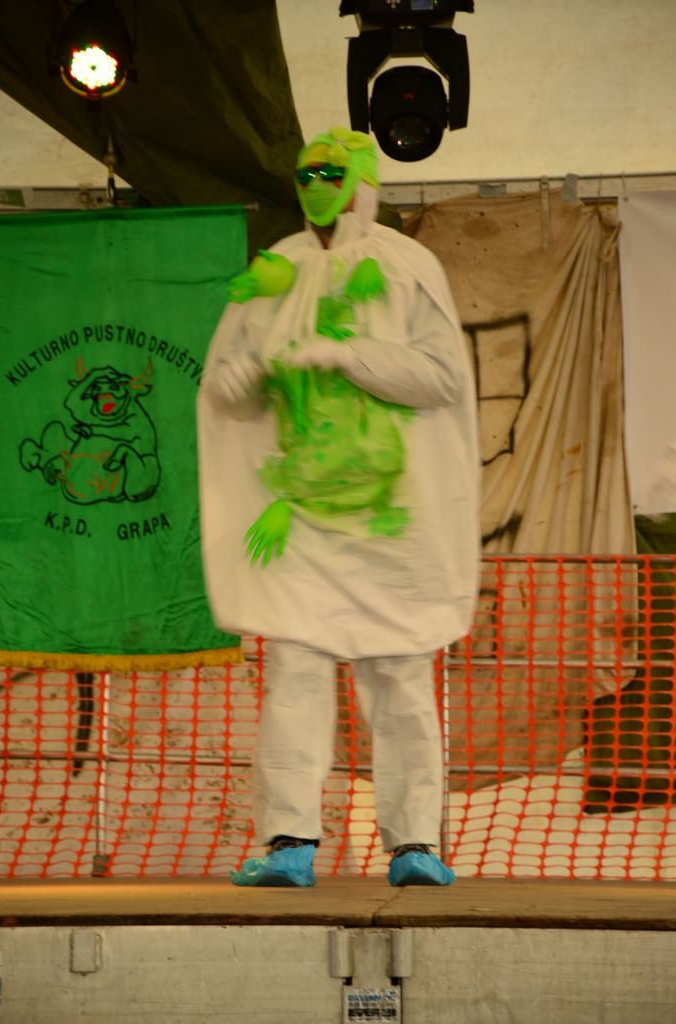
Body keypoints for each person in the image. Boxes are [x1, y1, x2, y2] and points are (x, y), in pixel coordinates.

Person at [197, 127, 480, 887]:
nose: (317, 186)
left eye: (331, 173)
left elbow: (440, 377)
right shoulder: (278, 268)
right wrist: (237, 383)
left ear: (361, 182)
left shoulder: (406, 265)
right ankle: (289, 840)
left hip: (392, 517)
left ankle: (414, 843)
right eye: (307, 174)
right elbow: (231, 380)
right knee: (293, 673)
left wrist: (349, 355)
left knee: (400, 675)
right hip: (302, 516)